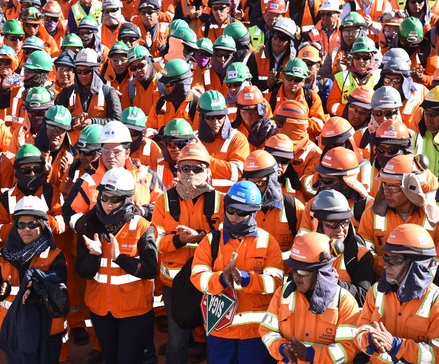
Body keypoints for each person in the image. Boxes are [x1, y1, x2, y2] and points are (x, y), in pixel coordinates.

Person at [190, 180, 283, 363]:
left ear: (254, 212)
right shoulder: (211, 241)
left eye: (242, 213)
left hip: (255, 332)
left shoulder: (268, 242)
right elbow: (197, 277)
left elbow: (276, 282)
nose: (234, 216)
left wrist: (247, 279)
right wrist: (221, 280)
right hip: (220, 328)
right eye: (230, 210)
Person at [76, 167, 158, 364]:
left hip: (135, 313)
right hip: (101, 310)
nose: (108, 204)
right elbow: (82, 271)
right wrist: (94, 256)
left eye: (115, 199)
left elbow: (150, 269)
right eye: (104, 197)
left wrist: (120, 258)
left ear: (127, 199)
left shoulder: (142, 227)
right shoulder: (88, 224)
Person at [154, 142, 224, 364]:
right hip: (175, 286)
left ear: (208, 171)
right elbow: (155, 241)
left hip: (210, 284)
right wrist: (178, 240)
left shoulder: (221, 201)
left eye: (197, 169)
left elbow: (229, 241)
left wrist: (202, 236)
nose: (191, 173)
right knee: (177, 342)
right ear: (178, 170)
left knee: (215, 338)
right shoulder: (164, 200)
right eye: (185, 168)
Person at [0, 195, 67, 364]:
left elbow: (60, 294)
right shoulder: (1, 255)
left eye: (32, 224)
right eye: (21, 224)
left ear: (43, 225)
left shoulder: (56, 255)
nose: (26, 229)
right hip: (13, 328)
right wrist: (1, 289)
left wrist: (36, 292)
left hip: (48, 330)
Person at [259, 232, 361, 363]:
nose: (296, 276)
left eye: (303, 271)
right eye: (294, 270)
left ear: (321, 272)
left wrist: (311, 354)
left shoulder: (344, 301)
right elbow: (267, 330)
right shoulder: (282, 294)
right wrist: (282, 348)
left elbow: (348, 348)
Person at [355, 224, 439, 362]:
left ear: (416, 266)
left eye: (394, 260)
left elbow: (436, 355)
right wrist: (369, 339)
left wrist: (396, 346)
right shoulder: (376, 291)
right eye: (386, 258)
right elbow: (360, 330)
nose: (386, 265)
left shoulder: (435, 301)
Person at [309, 190, 375, 306]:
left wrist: (335, 283)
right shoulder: (305, 251)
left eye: (345, 223)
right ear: (318, 224)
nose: (340, 230)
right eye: (332, 224)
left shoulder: (359, 254)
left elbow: (365, 297)